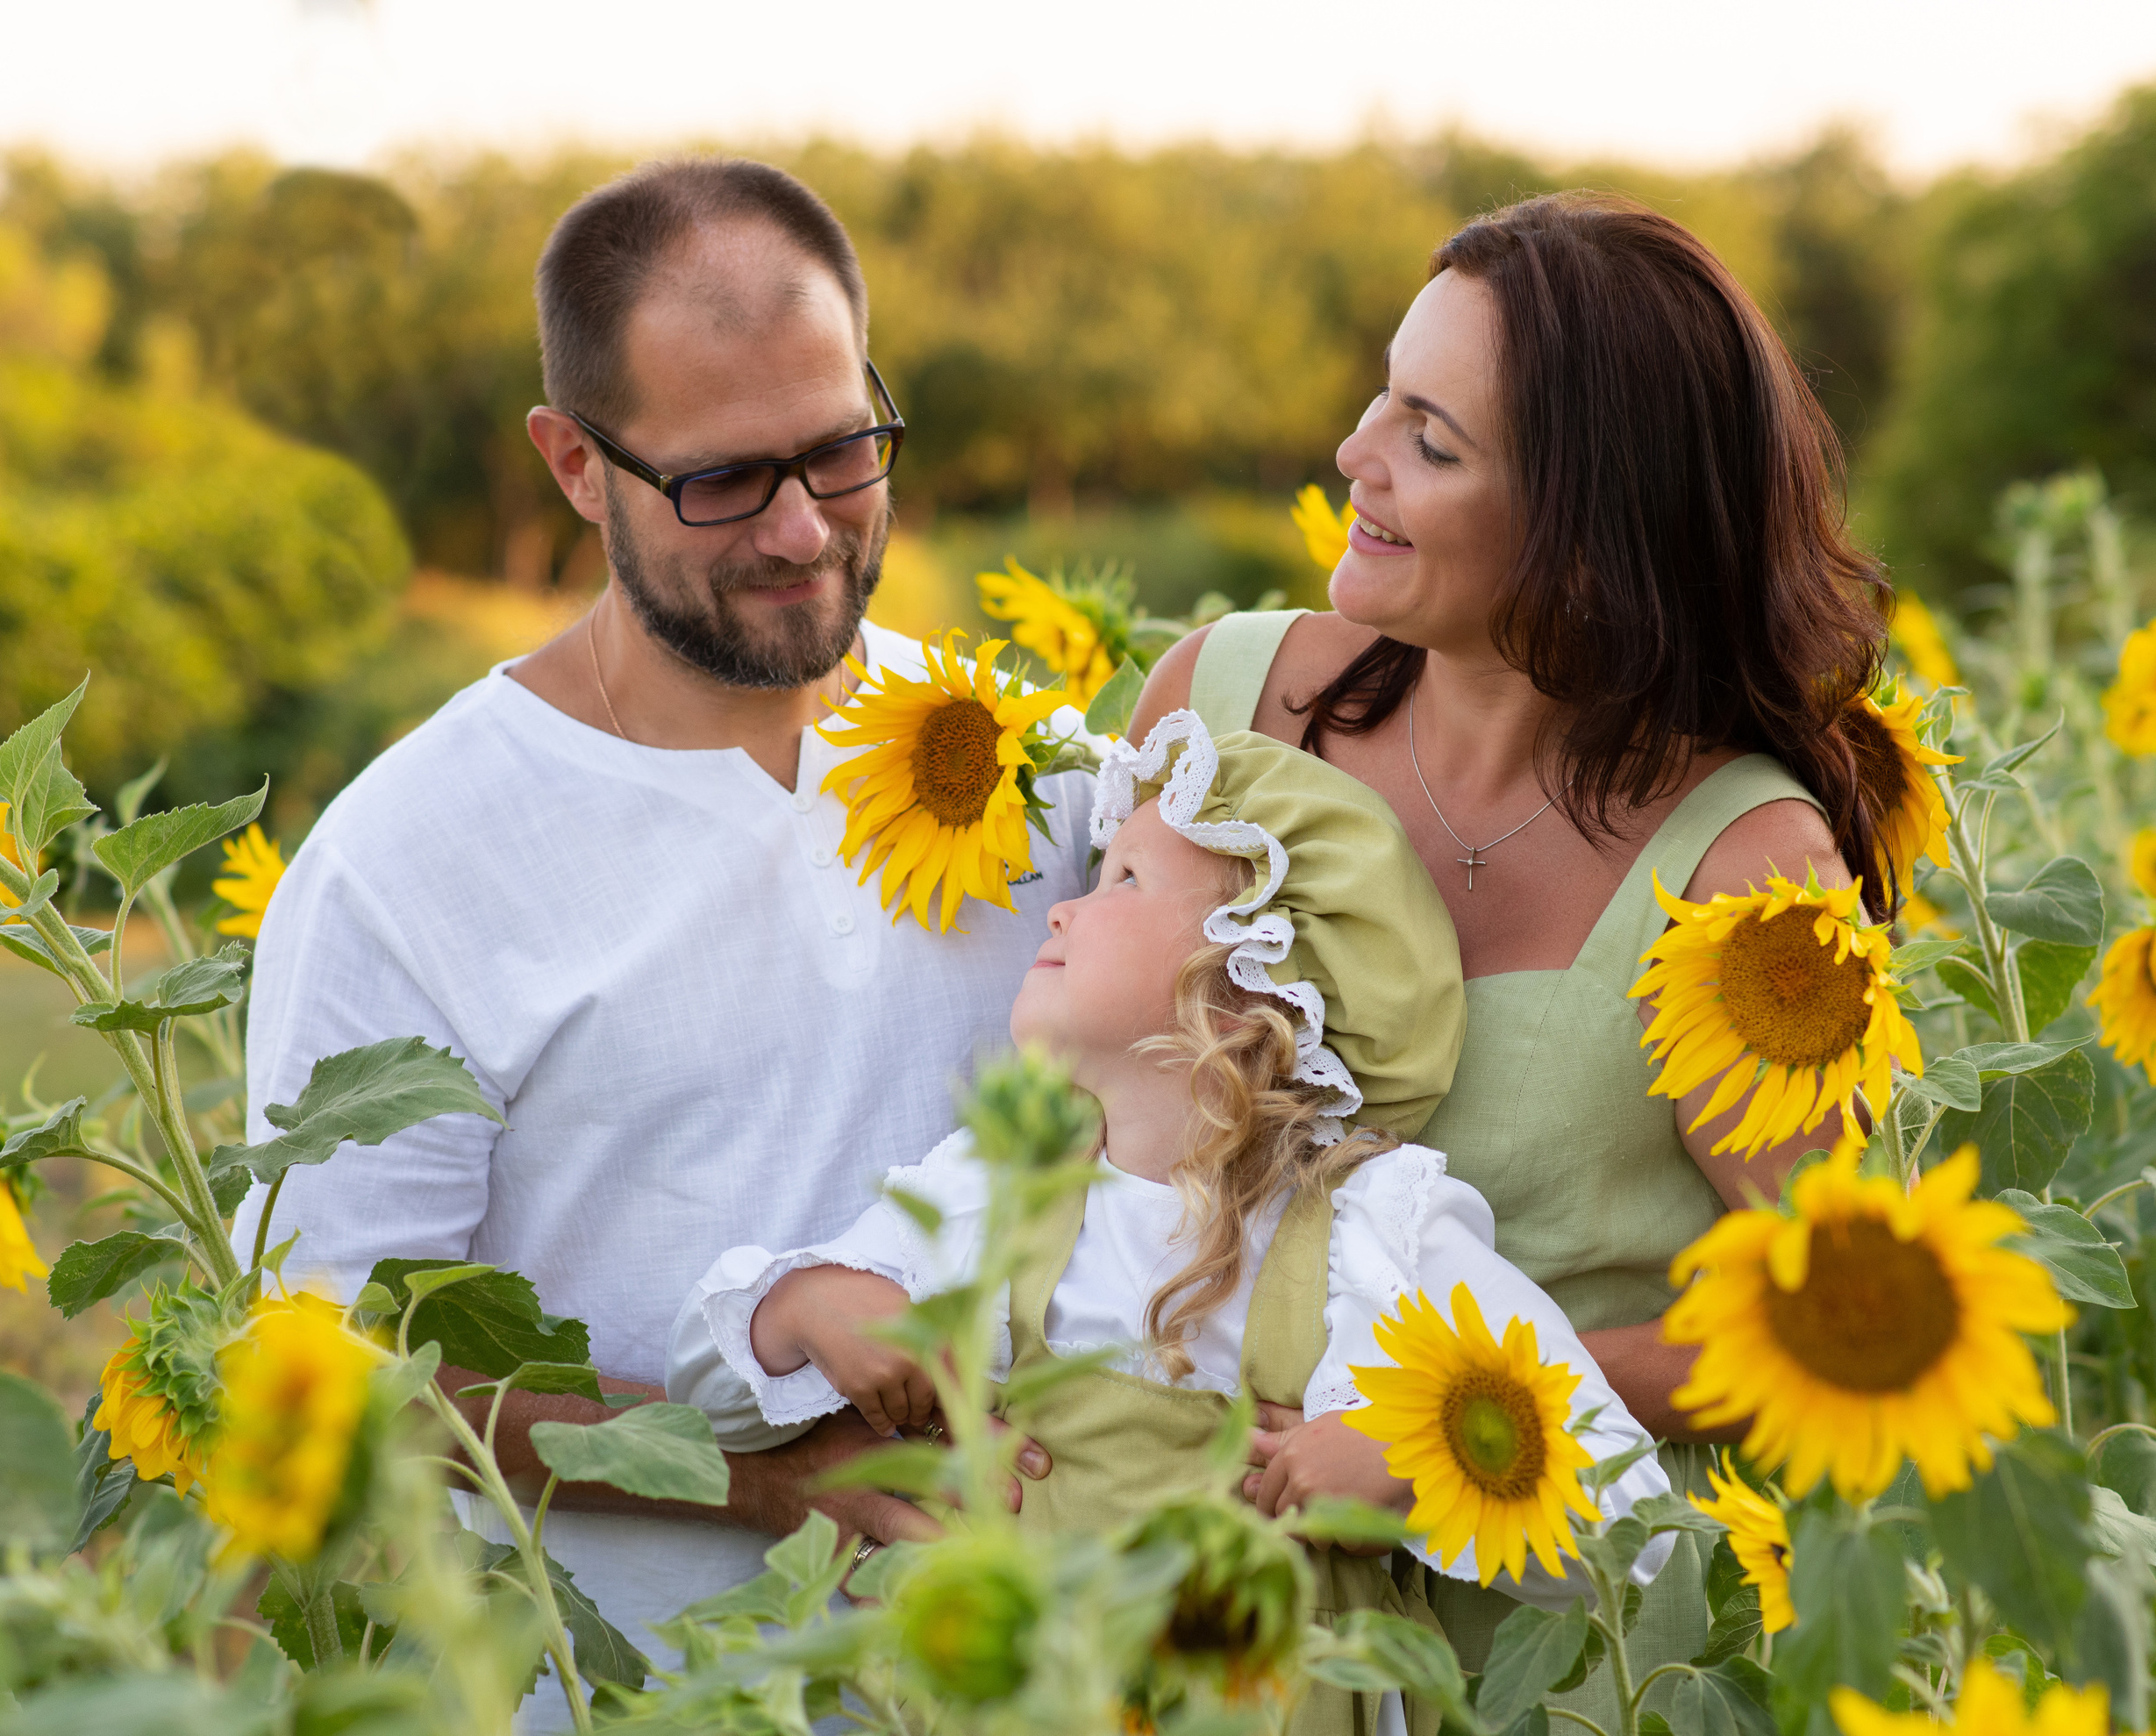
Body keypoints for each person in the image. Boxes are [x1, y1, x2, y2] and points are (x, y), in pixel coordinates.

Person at [231, 158, 1086, 1730]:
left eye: (840, 450)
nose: (801, 528)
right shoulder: (408, 861)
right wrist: (760, 1477)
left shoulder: (1022, 757)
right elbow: (348, 1360)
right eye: (723, 479)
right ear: (575, 463)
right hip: (635, 1690)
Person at [1130, 194, 1891, 1679]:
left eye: (1432, 440)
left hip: (1561, 1648)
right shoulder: (1215, 707)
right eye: (1383, 396)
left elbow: (1825, 1326)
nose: (1353, 455)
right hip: (1191, 1612)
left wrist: (1465, 1415)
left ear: (1593, 533)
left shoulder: (1747, 874)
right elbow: (1061, 1098)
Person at [669, 711, 1675, 1736]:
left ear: (1251, 979)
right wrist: (806, 1310)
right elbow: (708, 1398)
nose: (1065, 908)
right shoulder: (999, 1184)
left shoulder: (1373, 1232)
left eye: (1124, 880)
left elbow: (1630, 1520)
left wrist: (1421, 1463)